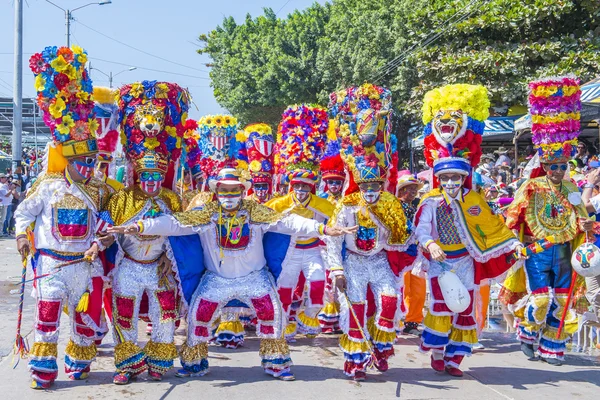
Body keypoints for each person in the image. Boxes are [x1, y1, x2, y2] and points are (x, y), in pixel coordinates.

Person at [108, 167, 356, 381]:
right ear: (217, 192)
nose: (228, 196)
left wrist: (323, 228)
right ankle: (195, 362)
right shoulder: (206, 213)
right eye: (224, 191)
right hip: (216, 280)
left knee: (273, 315)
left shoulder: (255, 211)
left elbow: (288, 222)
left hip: (255, 279)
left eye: (234, 190)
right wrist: (139, 226)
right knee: (197, 318)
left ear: (242, 191)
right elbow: (173, 223)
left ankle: (276, 362)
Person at [17, 45, 111, 389]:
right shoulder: (47, 186)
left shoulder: (100, 189)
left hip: (84, 266)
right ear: (67, 160)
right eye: (81, 162)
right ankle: (42, 370)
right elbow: (23, 215)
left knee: (85, 320)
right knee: (47, 317)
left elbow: (107, 224)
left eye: (91, 162)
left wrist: (103, 240)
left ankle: (79, 361)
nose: (86, 168)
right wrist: (21, 237)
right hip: (51, 264)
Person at [415, 84, 523, 377]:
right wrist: (429, 244)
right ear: (439, 178)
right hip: (440, 263)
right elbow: (421, 230)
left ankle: (455, 358)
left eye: (456, 177)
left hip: (466, 260)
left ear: (464, 177)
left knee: (463, 309)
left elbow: (493, 227)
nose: (450, 182)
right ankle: (437, 352)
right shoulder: (430, 201)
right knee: (441, 306)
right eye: (446, 177)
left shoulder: (474, 199)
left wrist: (513, 244)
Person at [504, 76, 593, 365]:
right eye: (553, 166)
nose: (558, 170)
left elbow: (582, 218)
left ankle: (552, 346)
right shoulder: (531, 186)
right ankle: (528, 332)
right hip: (538, 250)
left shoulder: (571, 189)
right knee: (541, 300)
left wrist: (589, 226)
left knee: (563, 303)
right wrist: (513, 243)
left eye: (562, 165)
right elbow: (513, 217)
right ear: (544, 165)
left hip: (565, 252)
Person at [106, 81, 190, 384]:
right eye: (146, 175)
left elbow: (181, 233)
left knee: (165, 317)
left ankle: (158, 362)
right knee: (124, 316)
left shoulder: (171, 199)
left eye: (157, 175)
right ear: (138, 175)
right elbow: (109, 233)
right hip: (129, 267)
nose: (152, 180)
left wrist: (173, 258)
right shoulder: (123, 199)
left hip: (159, 268)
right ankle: (126, 365)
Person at [326, 83, 411, 381]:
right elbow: (333, 239)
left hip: (378, 262)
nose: (372, 191)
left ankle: (381, 348)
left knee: (389, 301)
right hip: (354, 262)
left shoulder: (391, 203)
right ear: (359, 185)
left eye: (376, 186)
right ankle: (356, 359)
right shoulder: (347, 204)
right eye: (366, 186)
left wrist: (403, 233)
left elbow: (402, 238)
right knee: (357, 308)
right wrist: (336, 270)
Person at [266, 105, 333, 340]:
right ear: (292, 186)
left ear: (312, 187)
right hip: (289, 253)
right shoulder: (279, 203)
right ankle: (284, 325)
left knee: (317, 287)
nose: (302, 190)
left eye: (306, 186)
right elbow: (263, 223)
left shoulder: (323, 205)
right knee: (284, 290)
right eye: (298, 186)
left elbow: (337, 221)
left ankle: (309, 317)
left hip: (313, 251)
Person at [396, 173, 426, 336]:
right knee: (403, 288)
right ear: (401, 190)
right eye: (410, 188)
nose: (414, 191)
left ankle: (413, 321)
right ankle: (399, 319)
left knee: (419, 289)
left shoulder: (417, 206)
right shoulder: (394, 206)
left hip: (417, 253)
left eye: (415, 188)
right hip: (400, 253)